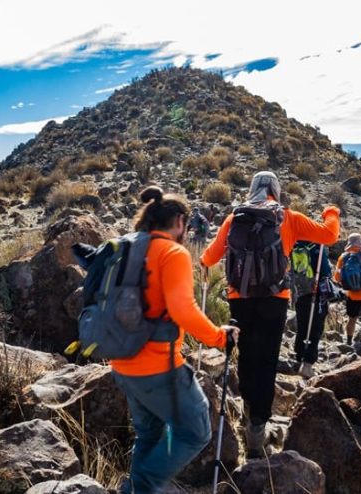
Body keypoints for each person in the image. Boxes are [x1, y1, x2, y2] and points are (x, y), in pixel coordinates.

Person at [200, 171, 340, 458]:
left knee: (247, 356)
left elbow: (209, 257)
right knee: (266, 362)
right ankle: (257, 430)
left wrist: (203, 263)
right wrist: (331, 212)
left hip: (239, 298)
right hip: (274, 299)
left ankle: (248, 410)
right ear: (276, 189)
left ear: (253, 189)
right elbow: (329, 235)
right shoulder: (287, 217)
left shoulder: (235, 218)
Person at [112, 186, 240, 494]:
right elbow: (183, 309)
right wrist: (218, 336)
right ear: (181, 221)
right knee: (196, 431)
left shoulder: (127, 248)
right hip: (159, 367)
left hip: (122, 363)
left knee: (148, 435)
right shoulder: (173, 252)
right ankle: (141, 486)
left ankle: (137, 490)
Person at [291, 241, 333, 378]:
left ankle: (299, 357)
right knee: (315, 328)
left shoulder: (295, 246)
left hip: (299, 293)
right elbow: (326, 272)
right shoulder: (318, 248)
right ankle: (307, 365)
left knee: (302, 325)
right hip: (315, 294)